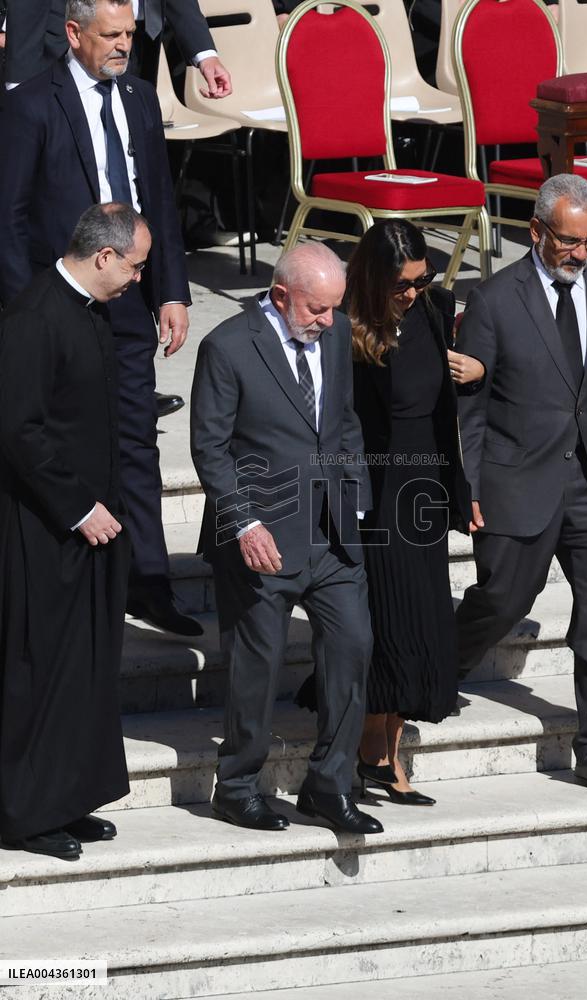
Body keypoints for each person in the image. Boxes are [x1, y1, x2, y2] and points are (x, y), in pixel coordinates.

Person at [0, 0, 202, 636]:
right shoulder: (31, 104)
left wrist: (171, 288)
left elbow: (158, 200)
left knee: (137, 439)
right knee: (63, 437)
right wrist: (26, 309)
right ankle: (73, 573)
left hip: (132, 302)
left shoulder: (140, 98)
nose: (123, 45)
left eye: (129, 34)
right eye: (110, 35)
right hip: (59, 307)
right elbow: (9, 215)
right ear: (72, 33)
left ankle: (147, 581)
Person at [455, 173, 587, 798]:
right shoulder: (494, 300)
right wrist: (470, 484)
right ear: (536, 231)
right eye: (569, 241)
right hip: (518, 482)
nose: (582, 254)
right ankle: (428, 675)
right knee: (502, 601)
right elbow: (471, 408)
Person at [191, 242, 382, 836]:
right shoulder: (226, 346)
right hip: (261, 533)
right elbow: (210, 448)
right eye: (317, 310)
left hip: (331, 533)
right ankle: (239, 784)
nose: (329, 322)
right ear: (280, 297)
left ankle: (329, 785)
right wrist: (244, 523)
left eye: (334, 309)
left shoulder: (337, 330)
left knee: (353, 646)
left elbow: (343, 420)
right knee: (258, 664)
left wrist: (355, 498)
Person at [295, 220, 483, 806]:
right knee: (381, 622)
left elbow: (443, 410)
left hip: (423, 484)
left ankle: (386, 753)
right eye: (403, 283)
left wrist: (460, 484)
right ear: (375, 279)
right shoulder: (344, 327)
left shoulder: (434, 308)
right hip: (373, 490)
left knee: (422, 618)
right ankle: (367, 749)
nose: (414, 291)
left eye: (422, 279)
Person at [0, 203, 151, 860]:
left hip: (93, 525)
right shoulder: (36, 317)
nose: (140, 279)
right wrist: (76, 506)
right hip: (47, 530)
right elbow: (17, 429)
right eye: (137, 266)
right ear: (104, 257)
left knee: (84, 667)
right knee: (42, 667)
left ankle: (68, 797)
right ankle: (26, 813)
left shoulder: (87, 311)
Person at [3, 0, 232, 95]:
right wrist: (19, 77)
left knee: (130, 143)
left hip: (143, 41)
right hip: (72, 40)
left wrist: (205, 54)